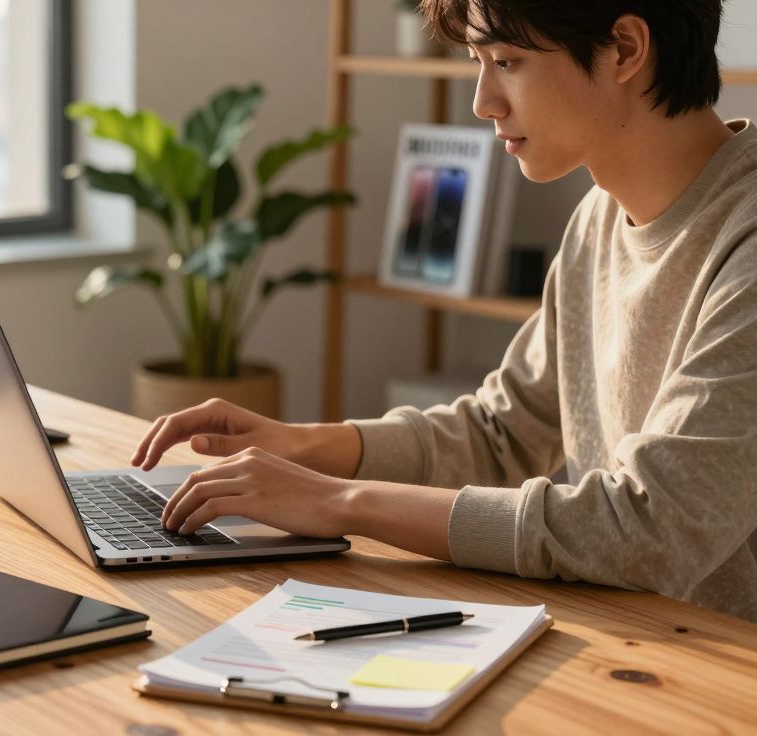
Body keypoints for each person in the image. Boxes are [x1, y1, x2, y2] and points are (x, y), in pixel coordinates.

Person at [134, 0, 757, 622]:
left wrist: (339, 501)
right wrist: (302, 445)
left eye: (507, 62)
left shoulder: (744, 238)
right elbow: (502, 433)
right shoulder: (598, 216)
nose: (484, 102)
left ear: (624, 49)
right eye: (478, 64)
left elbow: (649, 529)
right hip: (634, 640)